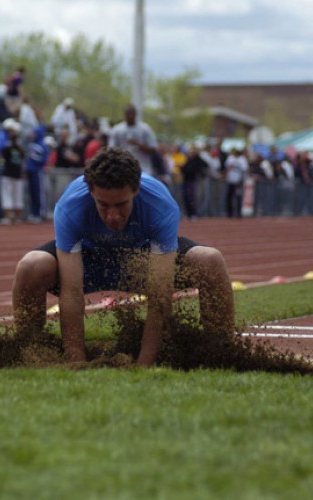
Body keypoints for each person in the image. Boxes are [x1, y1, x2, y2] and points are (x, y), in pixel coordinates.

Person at [12, 147, 235, 367]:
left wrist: (143, 366)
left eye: (121, 205)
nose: (113, 216)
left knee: (210, 260)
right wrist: (76, 361)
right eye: (103, 205)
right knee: (31, 266)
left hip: (141, 262)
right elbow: (71, 293)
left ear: (136, 190)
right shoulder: (71, 205)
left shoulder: (159, 203)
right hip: (89, 262)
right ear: (90, 192)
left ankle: (219, 352)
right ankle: (30, 352)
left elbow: (160, 295)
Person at [109, 104, 158, 175]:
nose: (129, 116)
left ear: (135, 114)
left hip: (143, 169)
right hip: (123, 170)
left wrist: (138, 144)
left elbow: (153, 149)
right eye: (127, 114)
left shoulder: (145, 128)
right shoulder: (117, 129)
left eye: (131, 114)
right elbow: (111, 149)